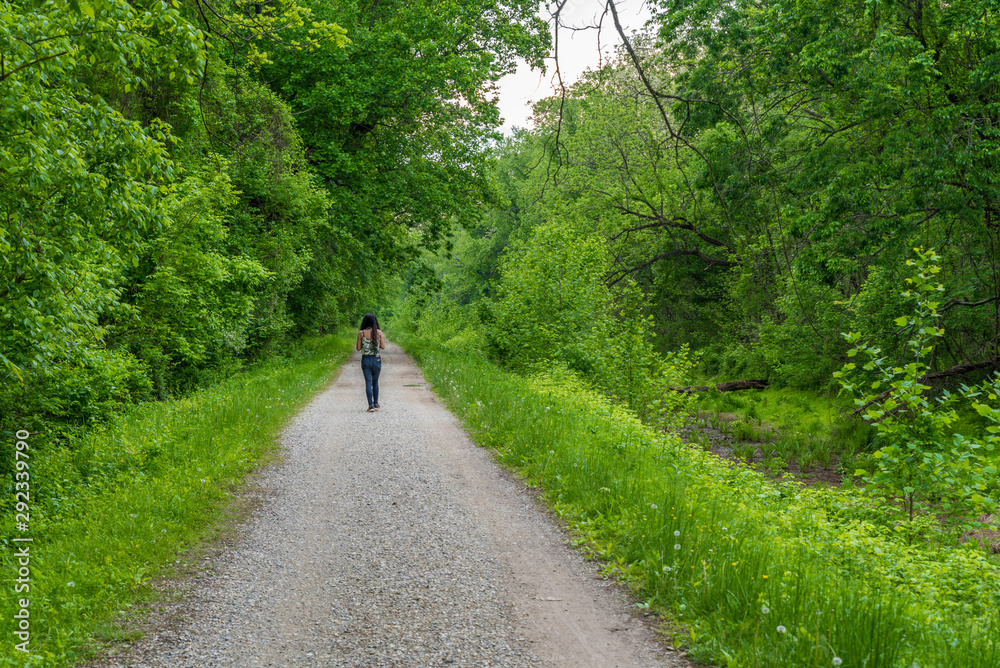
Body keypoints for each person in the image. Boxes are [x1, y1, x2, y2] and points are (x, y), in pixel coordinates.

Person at [356, 313, 386, 412]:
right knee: (375, 382)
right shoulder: (379, 332)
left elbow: (358, 348)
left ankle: (370, 405)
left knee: (368, 382)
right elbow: (382, 347)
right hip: (376, 360)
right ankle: (376, 403)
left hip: (366, 359)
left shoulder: (361, 333)